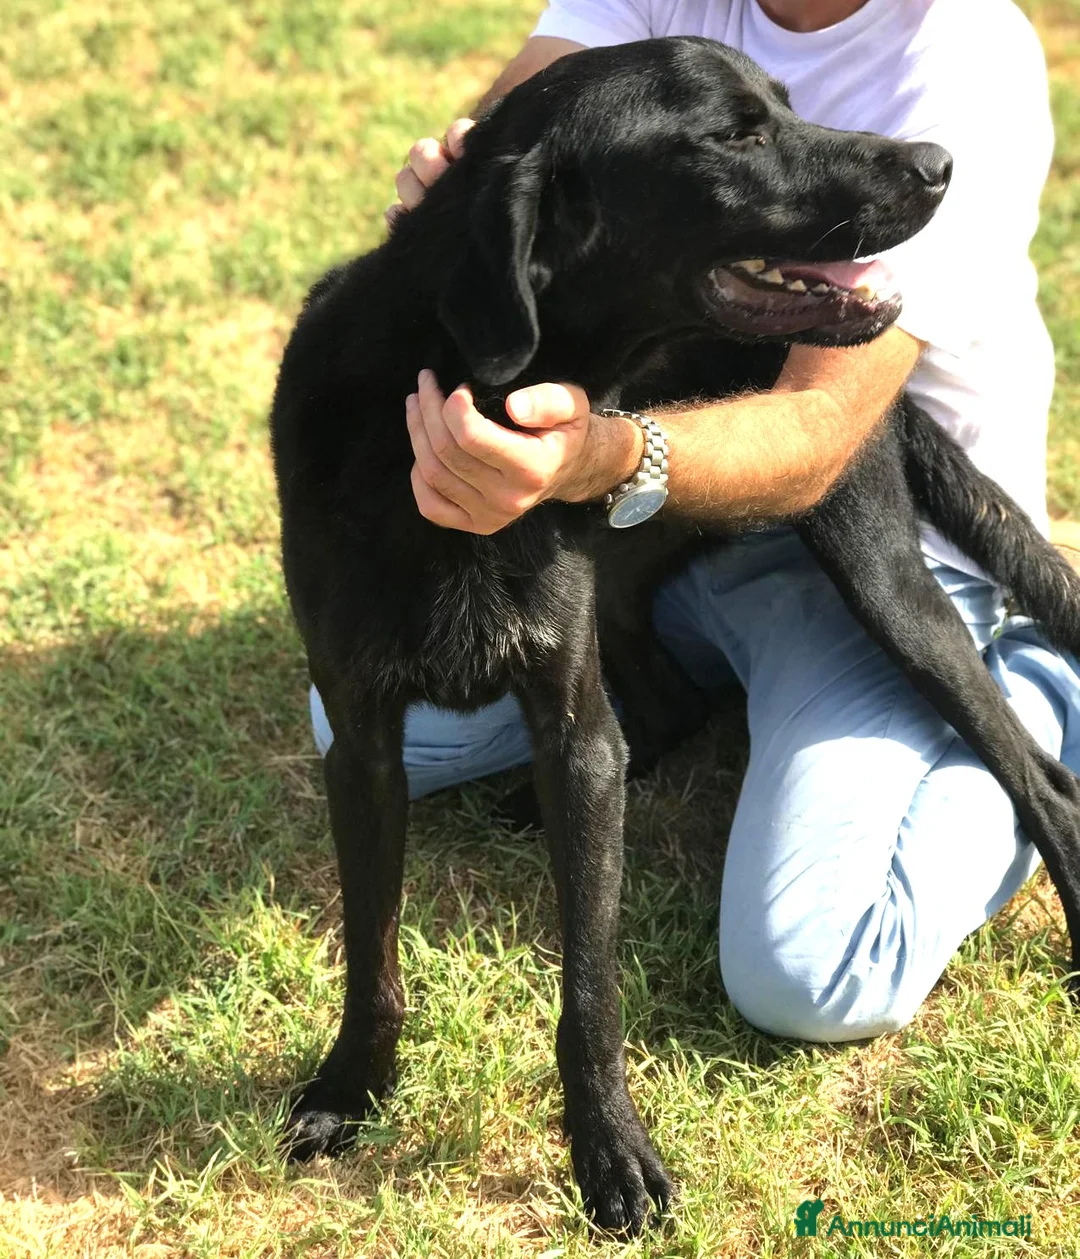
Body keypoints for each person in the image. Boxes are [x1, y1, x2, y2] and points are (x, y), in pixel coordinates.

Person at [312, 0, 1080, 1042]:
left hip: (864, 529)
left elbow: (818, 430)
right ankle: (679, 690)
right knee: (357, 715)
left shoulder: (961, 51)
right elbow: (528, 124)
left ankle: (1035, 697)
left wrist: (600, 456)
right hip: (663, 519)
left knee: (809, 972)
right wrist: (467, 177)